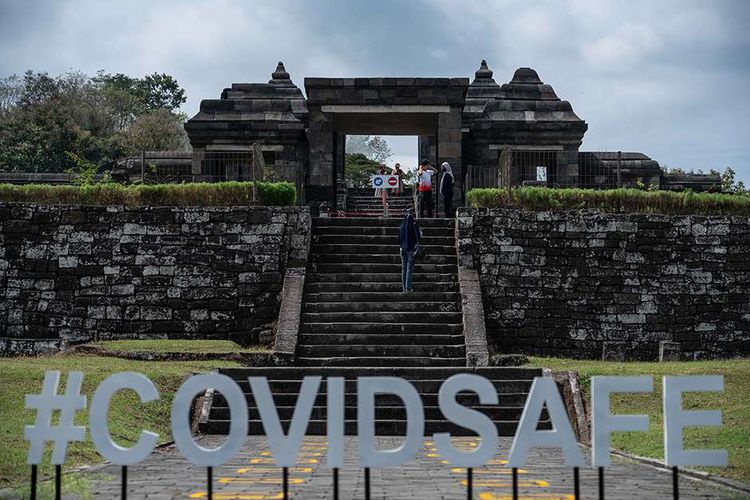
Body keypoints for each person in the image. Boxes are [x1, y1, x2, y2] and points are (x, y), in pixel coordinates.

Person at [398, 209, 420, 292]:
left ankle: (404, 287)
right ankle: (408, 287)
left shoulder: (402, 225)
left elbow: (398, 237)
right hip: (410, 248)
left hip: (402, 248)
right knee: (409, 268)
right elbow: (417, 236)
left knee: (404, 268)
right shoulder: (413, 224)